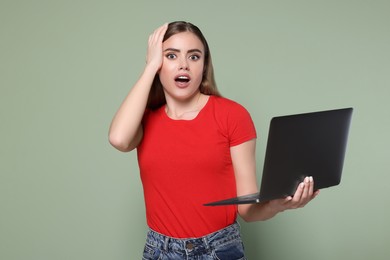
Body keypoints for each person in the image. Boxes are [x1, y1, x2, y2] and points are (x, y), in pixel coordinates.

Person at [109, 21, 319, 260]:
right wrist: (149, 68)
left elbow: (247, 210)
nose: (183, 65)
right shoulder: (145, 120)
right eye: (171, 56)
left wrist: (279, 205)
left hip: (218, 250)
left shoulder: (233, 116)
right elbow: (118, 139)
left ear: (204, 65)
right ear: (159, 64)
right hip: (159, 251)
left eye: (194, 57)